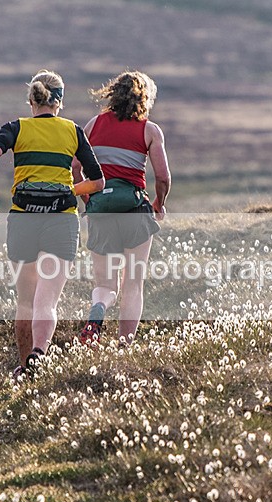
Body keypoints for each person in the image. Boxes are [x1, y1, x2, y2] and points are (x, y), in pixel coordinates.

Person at [0, 69, 104, 380]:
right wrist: (70, 190)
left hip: (24, 219)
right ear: (59, 101)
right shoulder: (73, 131)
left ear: (31, 100)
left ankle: (25, 368)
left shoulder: (16, 128)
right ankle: (39, 351)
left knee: (25, 301)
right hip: (61, 220)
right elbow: (99, 181)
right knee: (47, 301)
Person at [74, 71, 171, 346]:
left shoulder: (94, 125)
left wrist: (89, 200)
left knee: (105, 285)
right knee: (133, 284)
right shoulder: (149, 130)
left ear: (113, 94)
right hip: (134, 210)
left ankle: (98, 310)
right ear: (145, 99)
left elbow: (75, 168)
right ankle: (124, 346)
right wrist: (159, 203)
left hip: (101, 210)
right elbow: (163, 177)